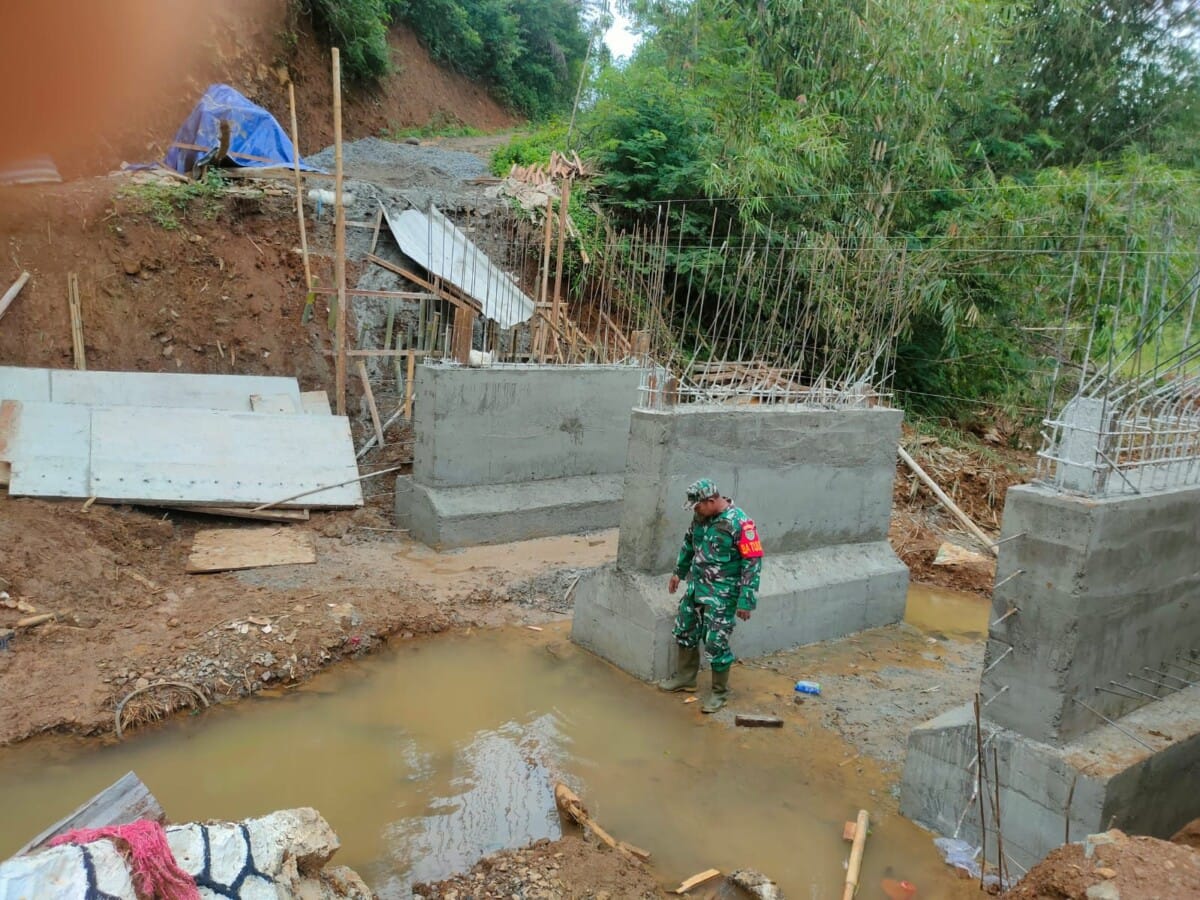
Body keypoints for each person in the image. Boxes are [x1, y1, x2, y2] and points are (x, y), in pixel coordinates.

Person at [658, 478, 763, 713]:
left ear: (712, 501)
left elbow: (752, 562)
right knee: (684, 629)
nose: (695, 511)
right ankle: (686, 679)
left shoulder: (740, 523)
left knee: (715, 641)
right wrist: (678, 572)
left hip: (722, 594)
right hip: (697, 587)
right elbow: (688, 543)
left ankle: (719, 692)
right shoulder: (701, 517)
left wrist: (746, 600)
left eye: (697, 506)